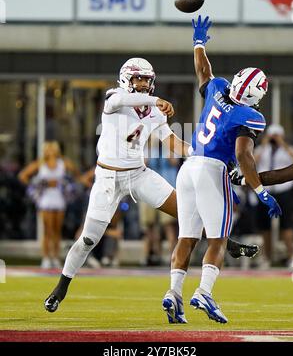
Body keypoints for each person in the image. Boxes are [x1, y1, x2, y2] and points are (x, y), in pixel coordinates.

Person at [44, 57, 262, 313]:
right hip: (107, 178)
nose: (144, 84)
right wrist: (154, 101)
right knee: (88, 240)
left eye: (147, 80)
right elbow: (126, 100)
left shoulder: (155, 110)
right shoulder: (114, 98)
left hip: (138, 174)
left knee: (186, 212)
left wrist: (199, 153)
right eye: (139, 79)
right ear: (127, 78)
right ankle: (61, 287)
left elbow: (171, 142)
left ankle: (230, 244)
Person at [162, 15, 282, 325]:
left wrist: (198, 42)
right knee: (218, 238)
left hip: (187, 168)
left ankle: (173, 293)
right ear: (255, 95)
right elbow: (243, 155)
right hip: (212, 170)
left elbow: (204, 70)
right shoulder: (249, 115)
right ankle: (204, 291)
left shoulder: (217, 88)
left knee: (187, 237)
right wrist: (261, 190)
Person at [18, 141, 80, 268]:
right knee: (47, 230)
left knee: (57, 230)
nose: (51, 151)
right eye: (48, 149)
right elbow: (22, 176)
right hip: (45, 199)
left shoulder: (63, 163)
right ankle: (46, 257)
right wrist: (36, 186)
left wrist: (66, 185)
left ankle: (56, 257)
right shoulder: (40, 163)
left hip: (59, 198)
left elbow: (76, 173)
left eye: (53, 149)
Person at [254, 124, 293, 268]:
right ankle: (266, 258)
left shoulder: (290, 149)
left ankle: (292, 256)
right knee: (265, 226)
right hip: (265, 191)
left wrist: (282, 144)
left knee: (287, 225)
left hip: (284, 189)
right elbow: (252, 162)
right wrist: (265, 143)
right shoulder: (262, 149)